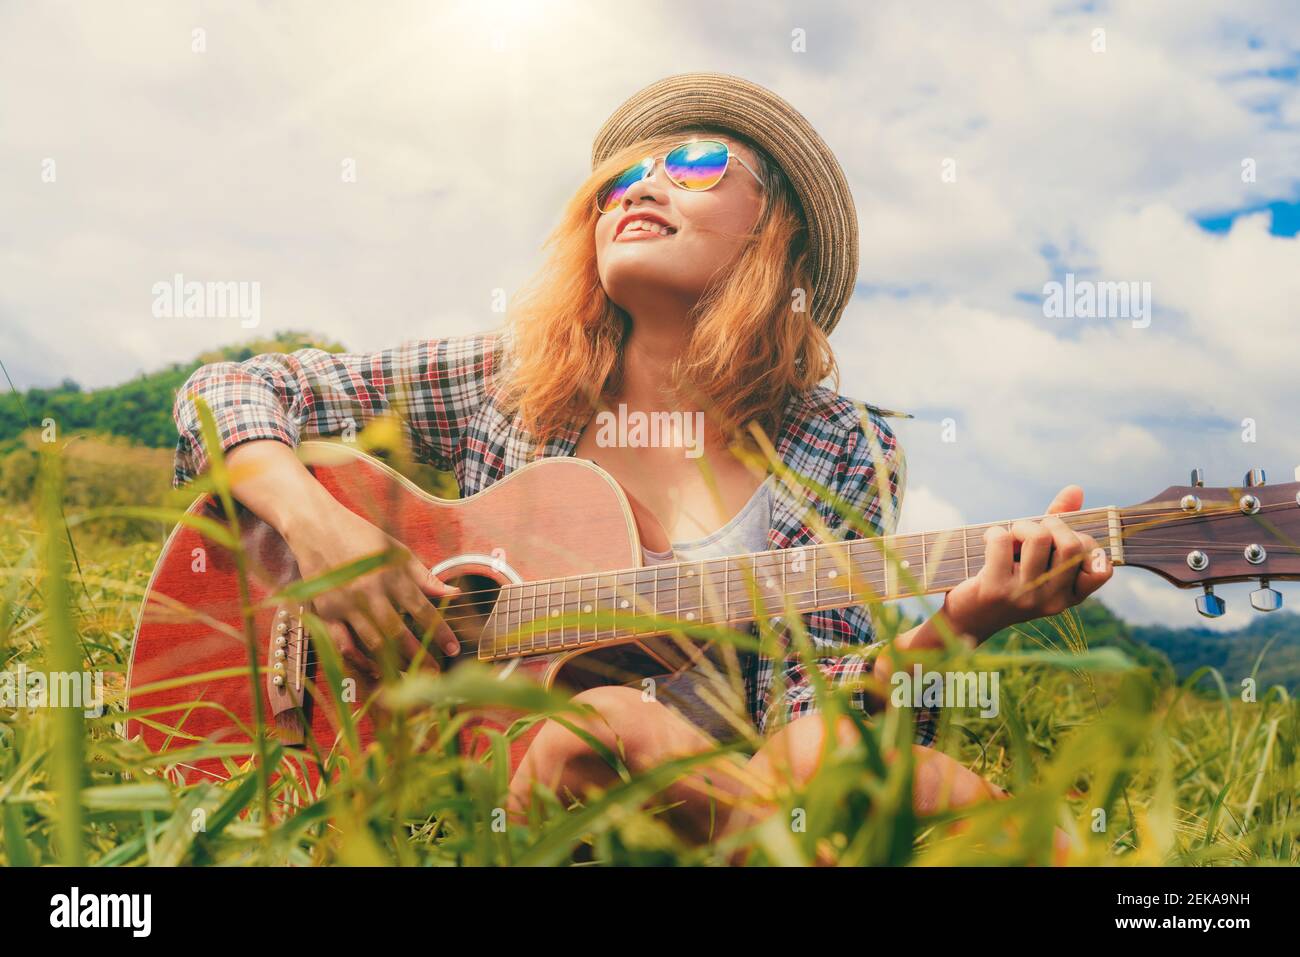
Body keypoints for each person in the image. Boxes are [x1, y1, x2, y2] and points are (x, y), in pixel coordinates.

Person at [172, 72, 1112, 853]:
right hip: (499, 778)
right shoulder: (509, 381)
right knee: (609, 719)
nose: (640, 186)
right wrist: (320, 525)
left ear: (773, 236)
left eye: (695, 164)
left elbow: (823, 715)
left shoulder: (842, 446)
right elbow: (230, 391)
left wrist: (963, 622)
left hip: (719, 787)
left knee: (919, 774)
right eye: (622, 176)